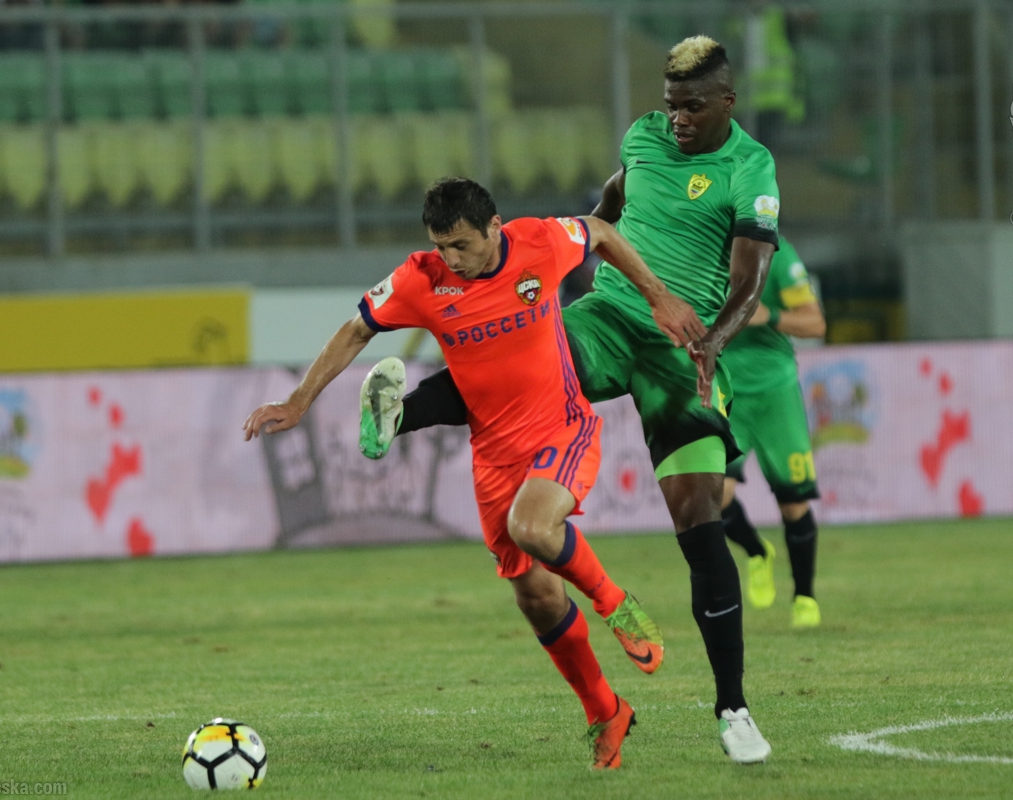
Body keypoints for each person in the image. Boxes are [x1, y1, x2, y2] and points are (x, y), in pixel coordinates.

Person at [358, 36, 780, 765]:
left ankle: (733, 708)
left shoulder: (751, 167)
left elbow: (751, 279)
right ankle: (401, 414)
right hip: (609, 320)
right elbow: (605, 212)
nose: (678, 118)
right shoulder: (643, 139)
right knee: (513, 361)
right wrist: (565, 268)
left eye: (691, 107)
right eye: (670, 105)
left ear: (726, 102)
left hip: (682, 350)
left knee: (698, 517)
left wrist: (712, 341)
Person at [243, 177, 705, 769]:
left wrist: (659, 297)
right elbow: (358, 328)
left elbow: (601, 231)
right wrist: (299, 401)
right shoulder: (423, 278)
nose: (451, 259)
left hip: (561, 428)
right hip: (492, 456)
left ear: (494, 227)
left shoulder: (539, 243)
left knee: (532, 527)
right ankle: (605, 711)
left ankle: (615, 603)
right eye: (441, 246)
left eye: (461, 245)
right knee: (536, 595)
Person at [718, 234, 826, 628]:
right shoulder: (701, 248)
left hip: (775, 394)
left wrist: (771, 316)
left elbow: (815, 323)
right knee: (714, 494)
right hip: (726, 390)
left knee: (793, 504)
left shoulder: (777, 256)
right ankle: (757, 552)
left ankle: (804, 597)